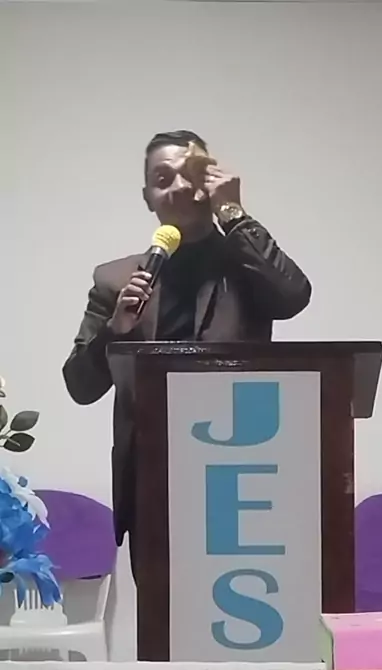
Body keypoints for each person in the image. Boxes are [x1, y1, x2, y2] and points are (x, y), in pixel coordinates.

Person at [63, 130, 312, 575]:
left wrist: (232, 211)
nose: (177, 187)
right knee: (161, 611)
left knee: (237, 606)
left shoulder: (246, 265)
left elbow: (293, 296)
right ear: (148, 198)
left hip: (241, 476)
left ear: (209, 182)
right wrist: (115, 330)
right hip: (152, 482)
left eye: (189, 175)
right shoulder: (116, 281)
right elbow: (80, 385)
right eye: (162, 179)